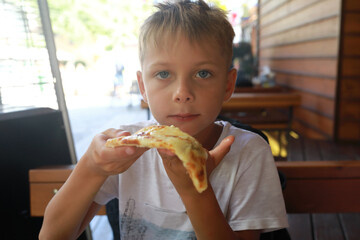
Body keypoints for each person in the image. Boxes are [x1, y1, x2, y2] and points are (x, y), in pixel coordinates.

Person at [39, 1, 288, 239]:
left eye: (203, 73)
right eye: (163, 73)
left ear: (228, 84)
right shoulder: (127, 149)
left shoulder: (249, 152)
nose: (182, 93)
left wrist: (196, 190)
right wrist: (91, 168)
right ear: (143, 87)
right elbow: (53, 235)